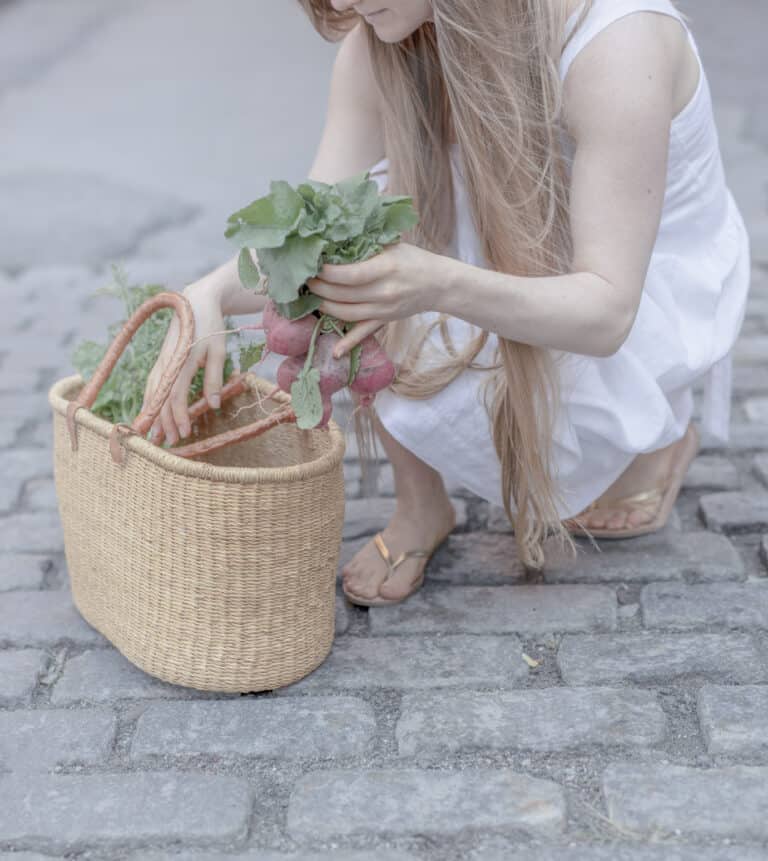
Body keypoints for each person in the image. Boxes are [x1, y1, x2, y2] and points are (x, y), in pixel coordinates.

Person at [142, 0, 750, 608]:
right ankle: (420, 504)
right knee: (352, 280)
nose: (342, 3)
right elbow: (312, 235)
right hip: (501, 257)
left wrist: (436, 285)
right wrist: (212, 293)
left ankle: (659, 437)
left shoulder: (617, 43)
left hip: (624, 297)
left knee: (396, 291)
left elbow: (607, 314)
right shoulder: (383, 39)